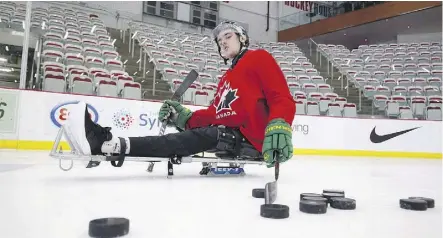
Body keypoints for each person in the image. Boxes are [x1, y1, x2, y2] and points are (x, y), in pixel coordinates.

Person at [67, 21, 296, 168]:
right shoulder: (226, 79)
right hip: (226, 135)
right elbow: (214, 115)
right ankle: (108, 143)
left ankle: (110, 144)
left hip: (250, 140)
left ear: (242, 38)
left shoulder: (259, 58)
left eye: (228, 36)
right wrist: (183, 117)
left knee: (182, 140)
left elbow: (281, 98)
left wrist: (279, 123)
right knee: (188, 137)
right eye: (219, 40)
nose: (222, 42)